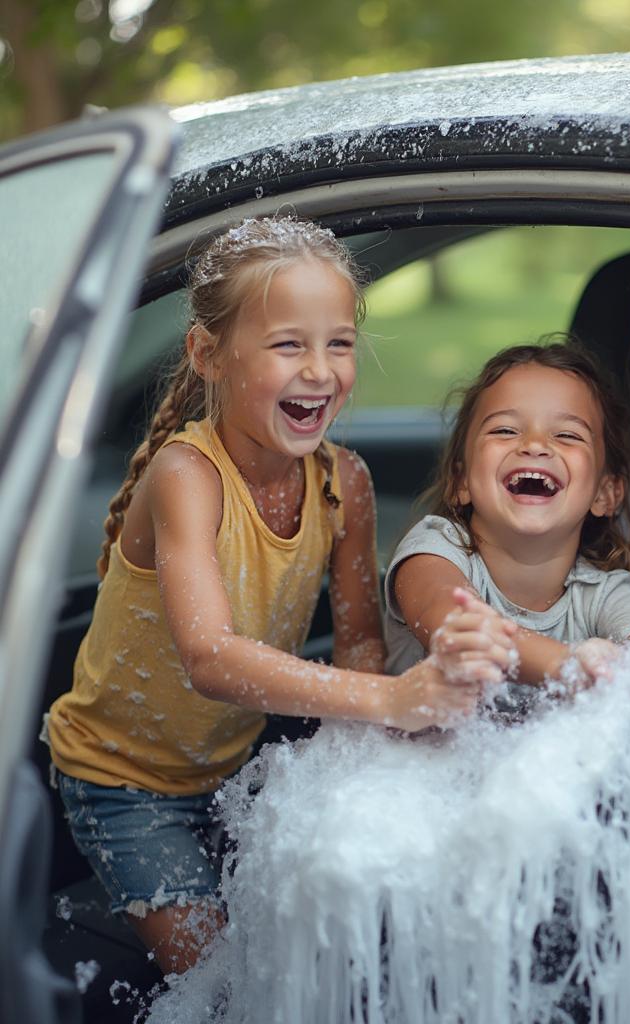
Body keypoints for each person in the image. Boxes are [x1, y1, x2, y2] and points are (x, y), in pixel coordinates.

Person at [46, 216, 478, 974]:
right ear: (207, 354)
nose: (320, 369)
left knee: (314, 949)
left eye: (338, 343)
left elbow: (359, 646)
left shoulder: (345, 483)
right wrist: (390, 702)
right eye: (288, 345)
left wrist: (393, 749)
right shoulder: (188, 477)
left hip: (230, 765)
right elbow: (209, 658)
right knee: (221, 986)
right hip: (124, 783)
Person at [385, 340, 630, 711]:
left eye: (567, 435)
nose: (534, 445)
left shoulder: (603, 593)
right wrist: (567, 665)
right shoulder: (434, 551)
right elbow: (449, 619)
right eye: (505, 431)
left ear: (605, 494)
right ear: (460, 481)